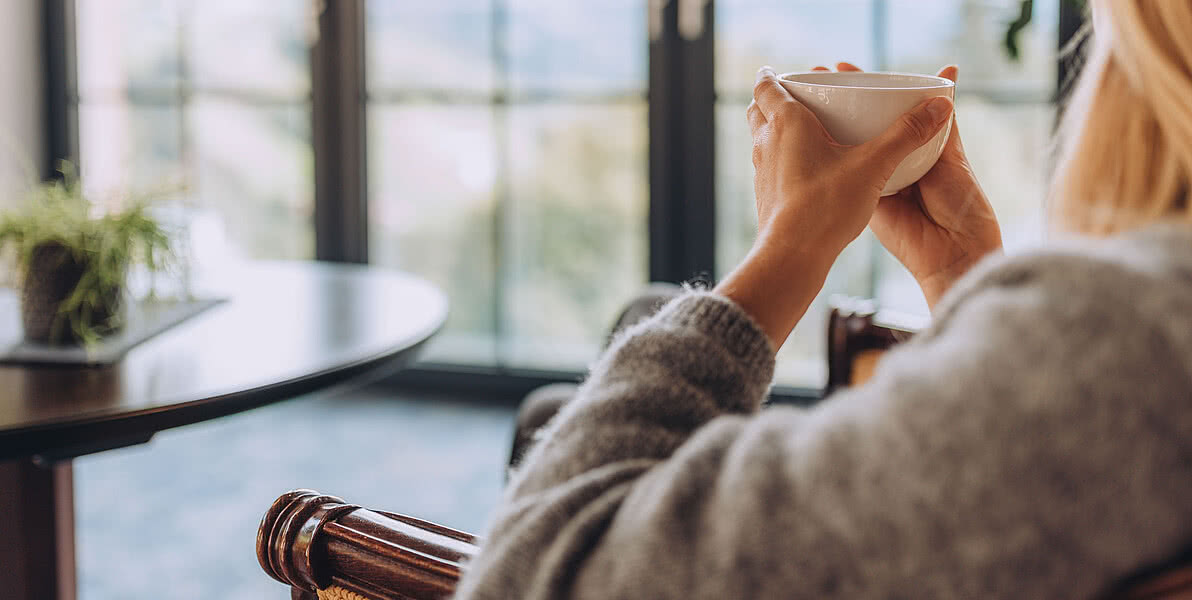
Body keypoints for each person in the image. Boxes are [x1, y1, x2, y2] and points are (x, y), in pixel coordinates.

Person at [457, 1, 1192, 597]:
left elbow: (536, 572)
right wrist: (965, 280)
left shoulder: (1131, 343)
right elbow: (1038, 501)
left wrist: (790, 247)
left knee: (562, 406)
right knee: (631, 326)